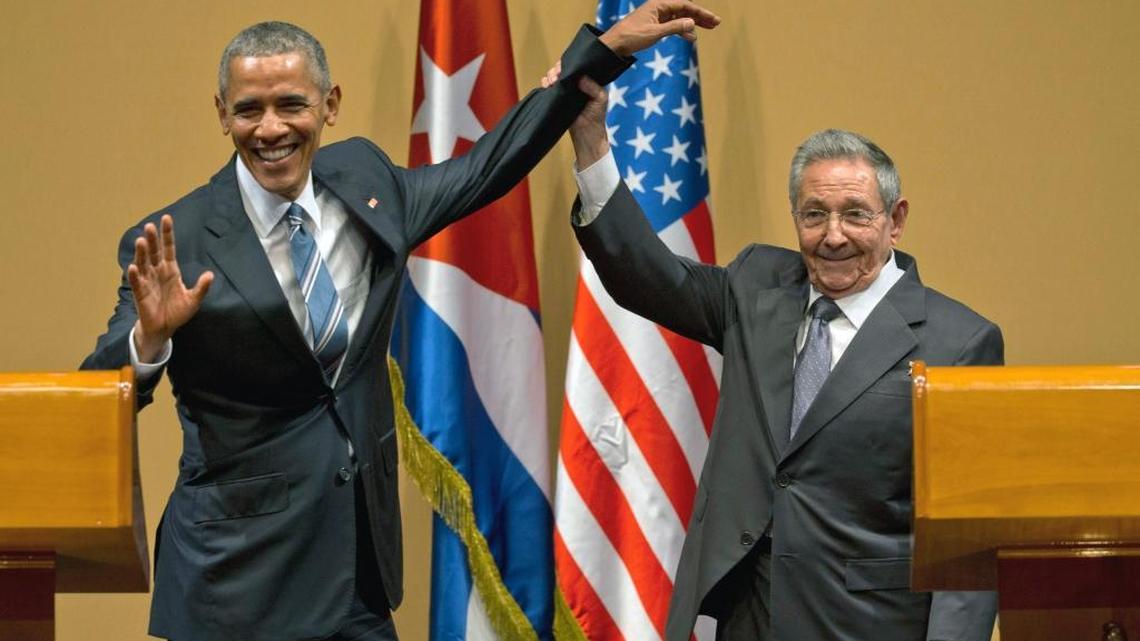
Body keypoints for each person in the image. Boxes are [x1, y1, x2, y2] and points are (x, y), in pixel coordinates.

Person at [80, 5, 720, 641]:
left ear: (329, 104)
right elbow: (92, 404)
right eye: (249, 109)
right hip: (236, 587)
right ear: (222, 114)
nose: (270, 128)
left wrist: (603, 50)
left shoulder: (365, 180)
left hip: (356, 576)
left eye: (291, 105)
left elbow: (488, 165)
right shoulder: (174, 242)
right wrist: (150, 340)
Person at [557, 72, 1003, 641]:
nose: (833, 235)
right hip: (750, 619)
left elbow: (968, 539)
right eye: (814, 214)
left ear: (895, 220)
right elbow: (648, 277)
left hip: (868, 626)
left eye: (856, 214)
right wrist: (593, 144)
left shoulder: (959, 342)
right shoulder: (756, 288)